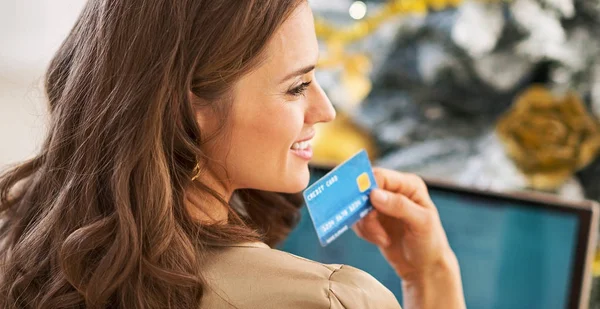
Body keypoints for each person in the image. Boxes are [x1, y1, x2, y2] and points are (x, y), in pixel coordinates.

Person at [0, 1, 466, 308]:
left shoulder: (23, 257)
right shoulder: (332, 300)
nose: (324, 110)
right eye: (297, 87)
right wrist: (432, 276)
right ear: (190, 108)